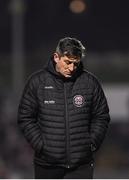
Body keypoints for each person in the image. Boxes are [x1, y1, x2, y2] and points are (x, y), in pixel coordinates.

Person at [17, 37, 110, 179]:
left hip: (81, 166)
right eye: (67, 62)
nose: (72, 68)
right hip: (47, 165)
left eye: (76, 64)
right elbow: (25, 117)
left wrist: (91, 144)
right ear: (56, 57)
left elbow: (101, 116)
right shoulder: (37, 82)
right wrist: (41, 146)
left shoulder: (90, 83)